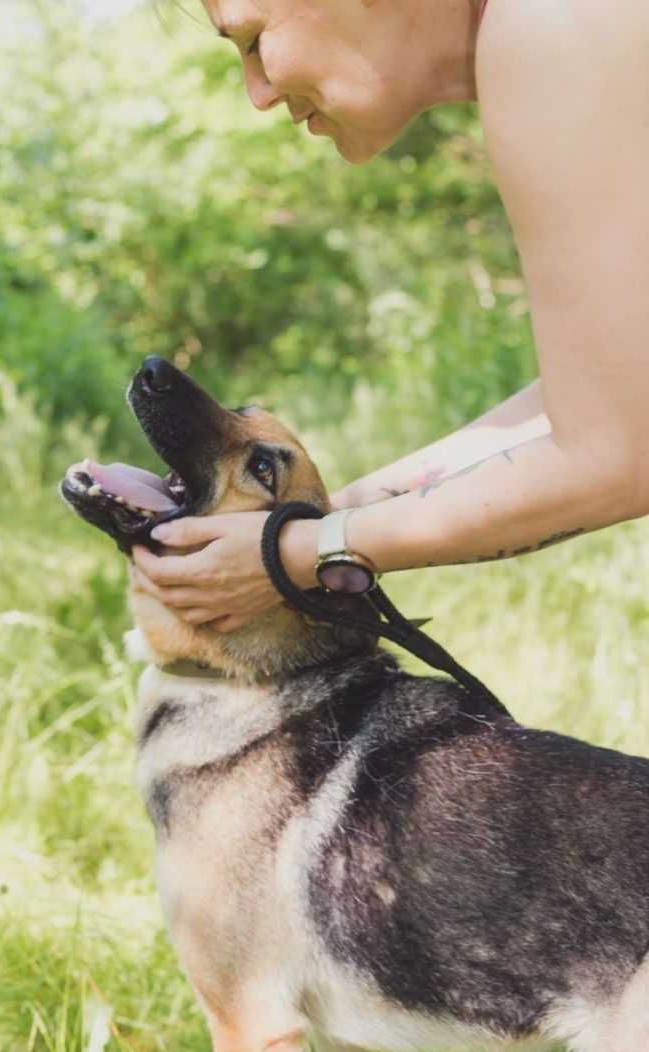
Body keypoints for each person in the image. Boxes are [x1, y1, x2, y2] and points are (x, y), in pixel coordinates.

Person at [133, 0, 649, 632]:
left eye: (252, 41)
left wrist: (294, 554)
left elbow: (618, 456)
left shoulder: (550, 26)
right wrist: (323, 517)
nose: (258, 94)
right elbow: (615, 397)